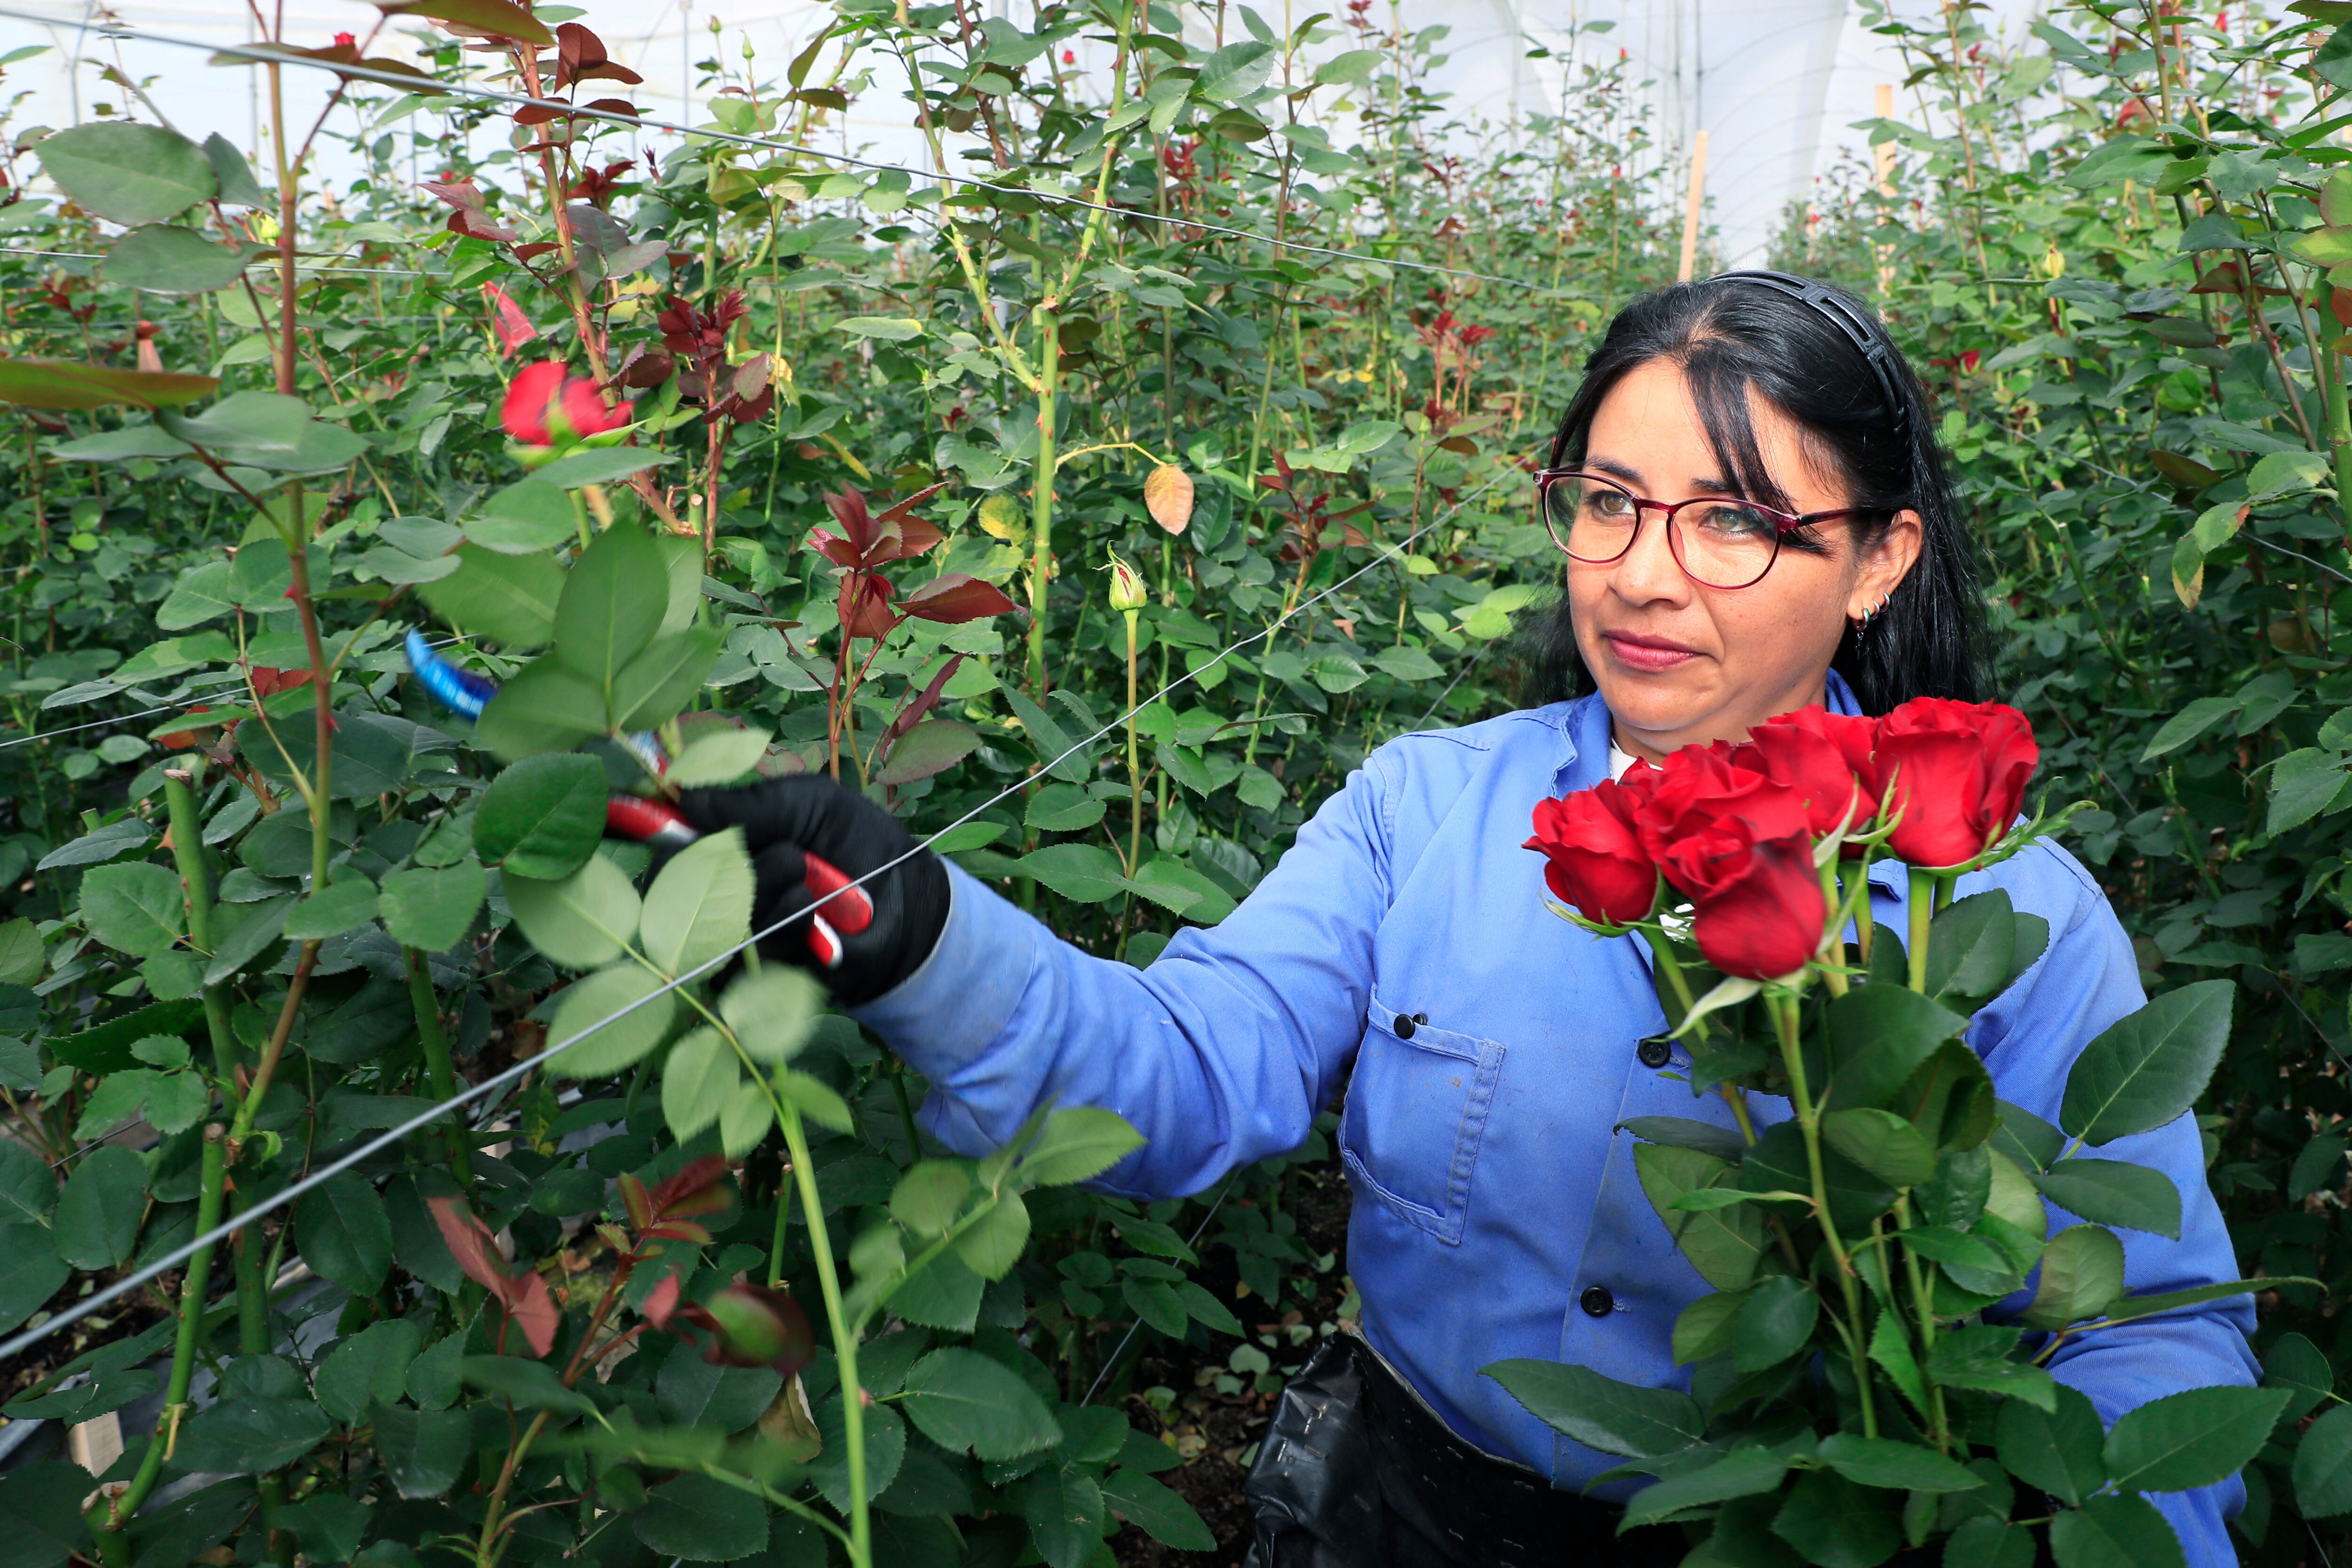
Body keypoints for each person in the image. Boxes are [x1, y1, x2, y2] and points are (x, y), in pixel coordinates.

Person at [679, 272, 2257, 1566]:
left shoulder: (1997, 907)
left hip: (1796, 1535)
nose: (1645, 576)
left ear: (1875, 562)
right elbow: (1197, 1063)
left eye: (1731, 522)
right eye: (1609, 504)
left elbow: (2157, 1327)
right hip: (1404, 1511)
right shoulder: (1430, 812)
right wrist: (921, 936)